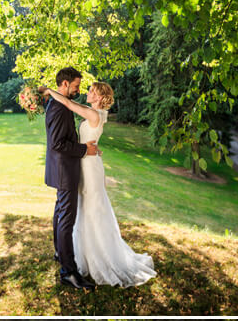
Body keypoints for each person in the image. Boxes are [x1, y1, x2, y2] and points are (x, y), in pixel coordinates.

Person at [41, 81, 156, 287]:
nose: (88, 92)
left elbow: (68, 104)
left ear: (100, 98)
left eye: (92, 91)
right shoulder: (96, 113)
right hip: (86, 161)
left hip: (89, 168)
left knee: (92, 208)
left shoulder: (94, 114)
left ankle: (97, 256)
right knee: (84, 208)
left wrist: (50, 91)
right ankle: (79, 253)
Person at [41, 70, 96, 290]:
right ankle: (68, 272)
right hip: (65, 171)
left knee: (59, 212)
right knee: (66, 220)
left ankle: (59, 252)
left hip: (60, 169)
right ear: (65, 83)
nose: (79, 90)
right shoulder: (61, 109)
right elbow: (58, 144)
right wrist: (85, 149)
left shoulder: (56, 104)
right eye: (76, 86)